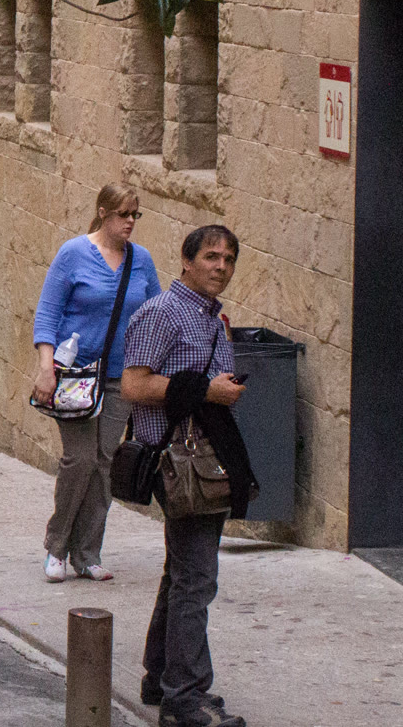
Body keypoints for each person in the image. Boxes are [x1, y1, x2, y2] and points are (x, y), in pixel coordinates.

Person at [121, 225, 255, 727]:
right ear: (186, 260)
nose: (221, 267)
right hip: (179, 463)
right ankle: (185, 698)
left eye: (229, 259)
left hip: (208, 459)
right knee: (196, 580)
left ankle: (161, 678)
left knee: (181, 573)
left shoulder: (212, 318)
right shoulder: (162, 313)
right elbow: (134, 385)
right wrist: (205, 390)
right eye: (211, 256)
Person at [33, 182, 162, 582]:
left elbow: (156, 313)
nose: (130, 222)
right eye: (123, 214)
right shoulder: (73, 254)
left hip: (122, 378)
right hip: (76, 376)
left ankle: (88, 553)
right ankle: (57, 546)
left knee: (104, 462)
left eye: (135, 215)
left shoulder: (141, 260)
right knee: (81, 459)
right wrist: (46, 367)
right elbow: (48, 314)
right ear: (103, 212)